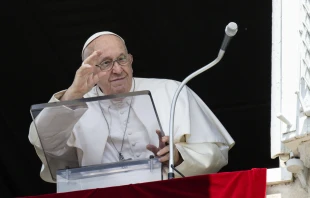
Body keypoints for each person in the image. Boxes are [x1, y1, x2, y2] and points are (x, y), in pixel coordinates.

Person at [29, 31, 235, 183]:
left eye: (121, 59)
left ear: (131, 60)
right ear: (90, 69)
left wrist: (178, 156)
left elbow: (216, 153)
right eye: (106, 63)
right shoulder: (74, 102)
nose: (117, 69)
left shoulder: (170, 90)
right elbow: (45, 143)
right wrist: (73, 93)